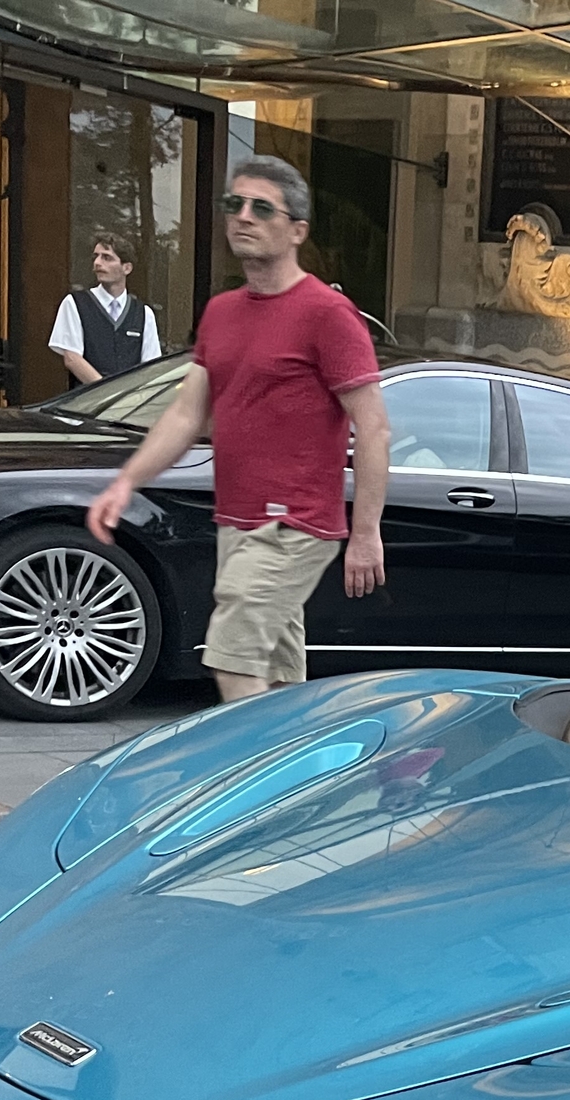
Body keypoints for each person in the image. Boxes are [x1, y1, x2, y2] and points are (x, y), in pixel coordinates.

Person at [85, 156, 388, 704]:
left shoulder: (328, 314)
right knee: (275, 673)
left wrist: (366, 533)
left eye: (261, 208)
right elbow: (185, 414)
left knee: (231, 653)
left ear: (297, 230)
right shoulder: (222, 312)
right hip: (236, 520)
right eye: (235, 204)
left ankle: (250, 781)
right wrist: (126, 483)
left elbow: (373, 429)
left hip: (294, 525)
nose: (242, 216)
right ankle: (300, 773)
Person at [49, 233, 161, 385]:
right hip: (84, 404)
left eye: (107, 258)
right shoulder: (75, 303)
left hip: (130, 405)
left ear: (126, 268)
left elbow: (150, 367)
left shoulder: (144, 313)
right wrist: (106, 394)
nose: (97, 263)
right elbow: (72, 358)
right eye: (96, 256)